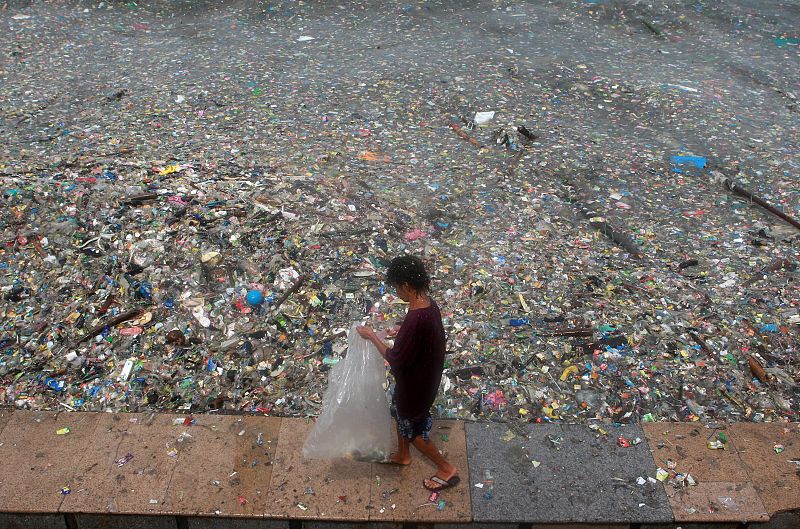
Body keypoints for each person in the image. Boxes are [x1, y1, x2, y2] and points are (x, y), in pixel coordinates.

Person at [357, 255, 459, 492]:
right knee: (398, 413)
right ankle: (403, 455)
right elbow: (421, 338)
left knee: (413, 429)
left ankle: (446, 468)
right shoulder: (427, 304)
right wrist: (400, 333)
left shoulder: (416, 318)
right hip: (424, 377)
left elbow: (395, 360)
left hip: (415, 386)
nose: (396, 292)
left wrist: (371, 336)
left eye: (396, 287)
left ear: (406, 286)